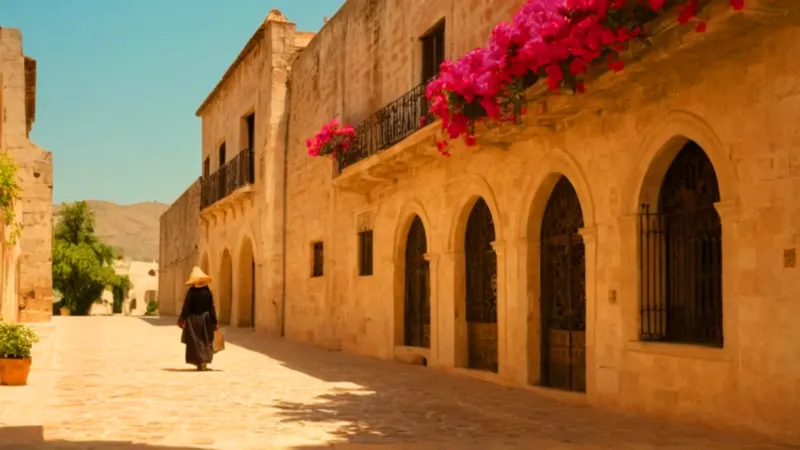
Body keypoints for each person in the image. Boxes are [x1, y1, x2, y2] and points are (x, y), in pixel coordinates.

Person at [178, 266, 218, 371]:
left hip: (193, 320)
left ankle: (199, 362)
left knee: (195, 341)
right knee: (205, 340)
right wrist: (214, 322)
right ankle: (204, 361)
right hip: (206, 319)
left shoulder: (191, 292)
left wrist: (182, 318)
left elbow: (186, 306)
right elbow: (211, 307)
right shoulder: (207, 292)